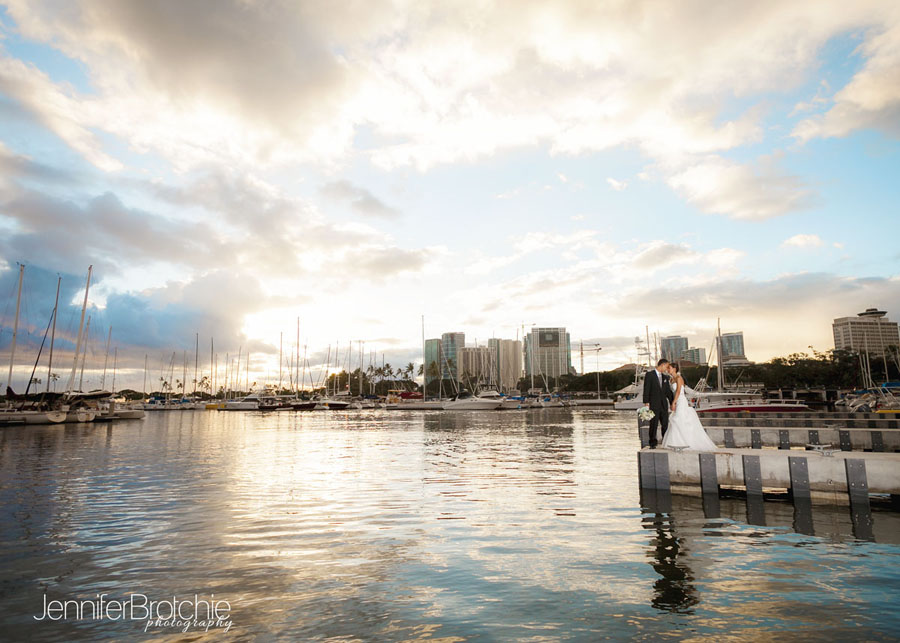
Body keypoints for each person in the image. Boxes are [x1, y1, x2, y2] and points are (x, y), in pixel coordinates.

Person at [661, 363, 718, 451]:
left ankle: (684, 442)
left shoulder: (679, 378)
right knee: (676, 420)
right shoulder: (671, 379)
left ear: (675, 368)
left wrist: (674, 403)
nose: (668, 369)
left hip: (681, 401)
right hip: (676, 400)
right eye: (668, 368)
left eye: (669, 368)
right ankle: (677, 442)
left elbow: (679, 391)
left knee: (678, 419)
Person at [643, 358, 674, 448]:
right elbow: (646, 388)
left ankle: (665, 441)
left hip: (663, 405)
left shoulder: (665, 377)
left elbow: (668, 392)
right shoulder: (650, 375)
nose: (667, 369)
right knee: (653, 424)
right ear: (662, 365)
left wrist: (672, 403)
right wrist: (646, 402)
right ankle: (652, 443)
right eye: (666, 366)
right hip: (653, 404)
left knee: (665, 424)